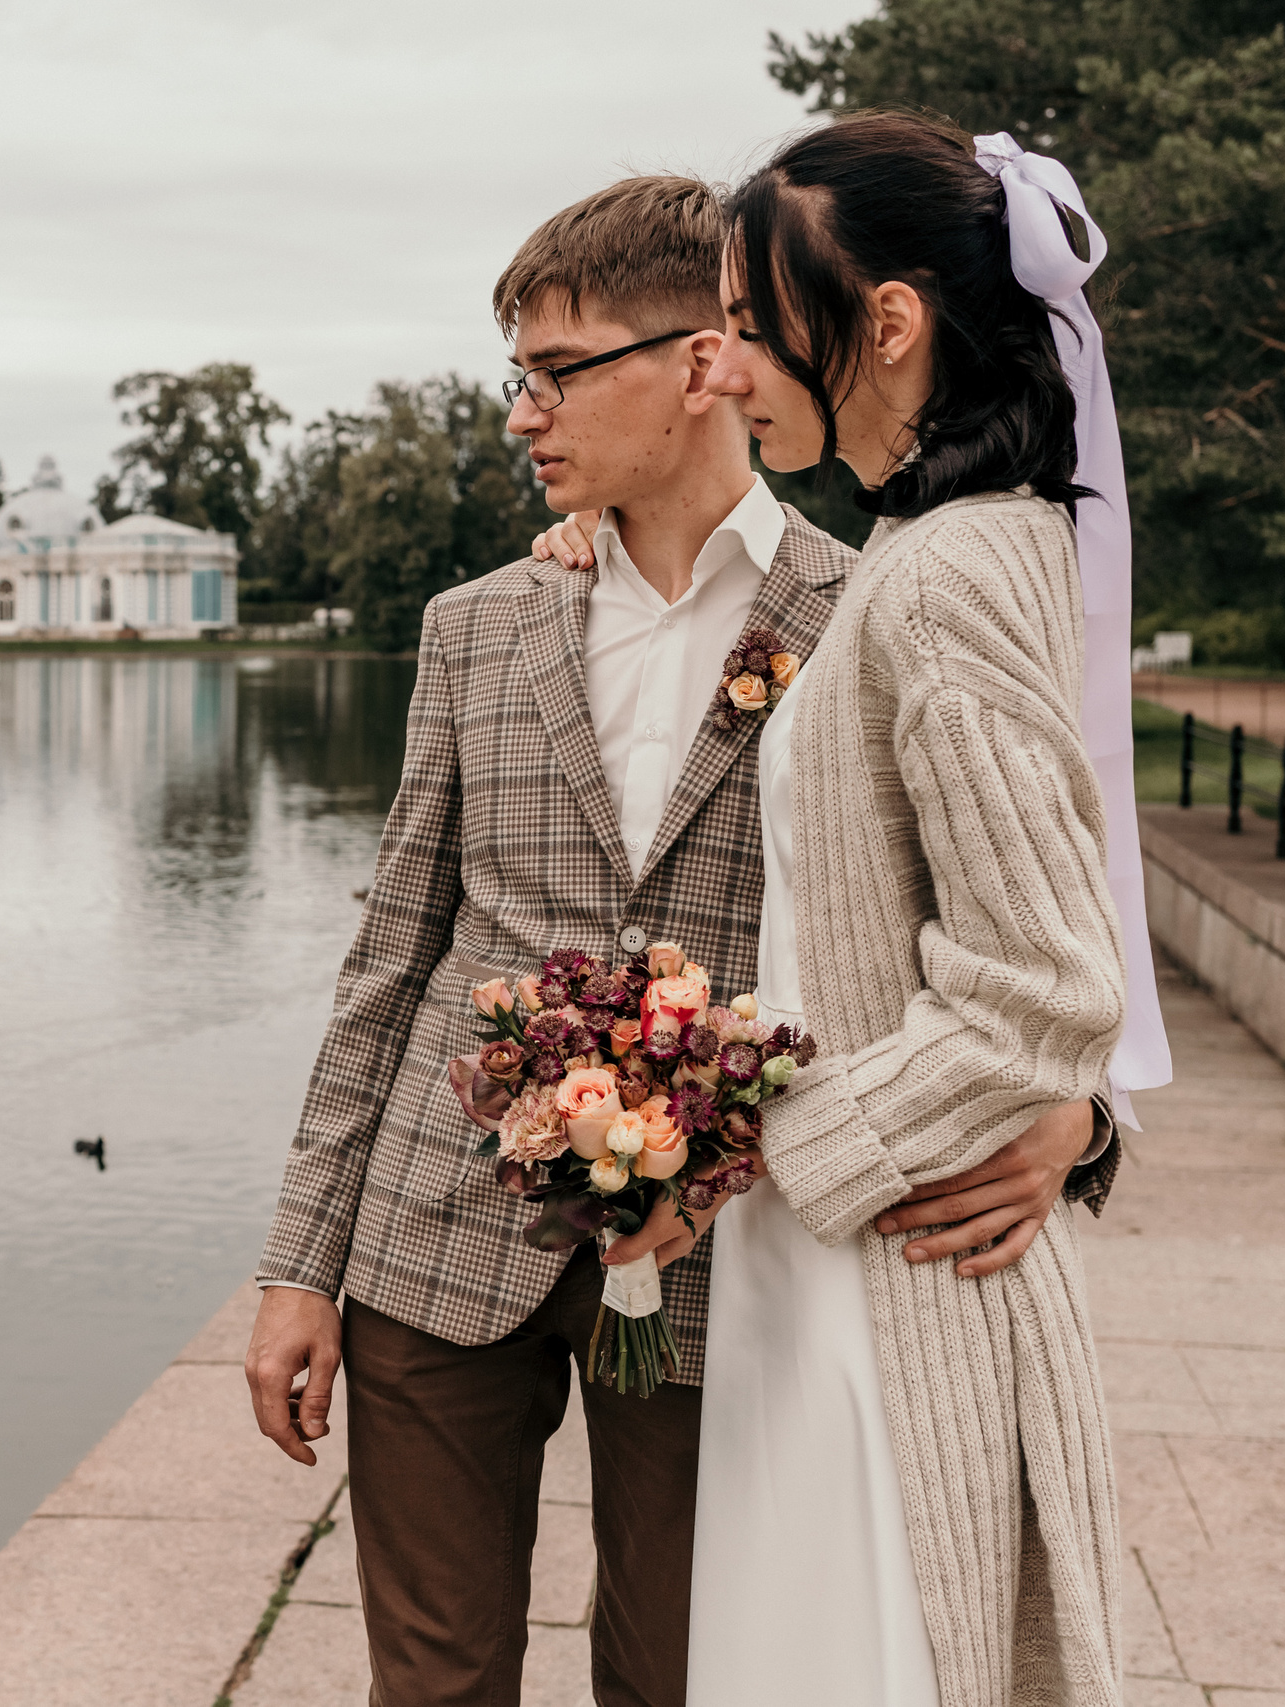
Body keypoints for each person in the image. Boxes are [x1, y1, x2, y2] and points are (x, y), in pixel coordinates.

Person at [242, 174, 1114, 1707]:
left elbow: (995, 923)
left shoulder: (870, 608)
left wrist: (1075, 1114)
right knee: (431, 1685)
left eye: (558, 371)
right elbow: (391, 955)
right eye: (513, 376)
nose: (523, 414)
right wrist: (298, 1264)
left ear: (707, 352)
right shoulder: (477, 624)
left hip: (727, 1258)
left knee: (679, 1678)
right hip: (435, 1234)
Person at [683, 108, 1166, 1707]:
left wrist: (745, 1156)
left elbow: (1040, 981)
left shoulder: (951, 575)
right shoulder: (922, 552)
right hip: (840, 1254)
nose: (726, 368)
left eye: (754, 329)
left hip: (884, 1277)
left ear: (887, 323)